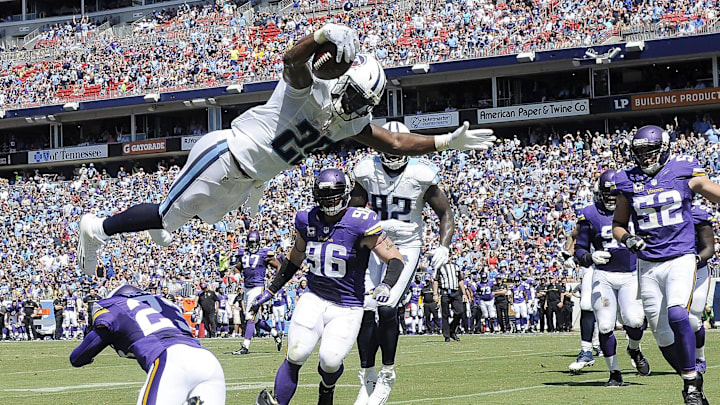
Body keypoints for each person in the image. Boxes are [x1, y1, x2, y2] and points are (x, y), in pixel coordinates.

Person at [77, 23, 495, 276]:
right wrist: (319, 36)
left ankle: (163, 220)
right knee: (165, 216)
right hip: (226, 154)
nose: (349, 107)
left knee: (182, 221)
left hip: (248, 178)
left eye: (358, 105)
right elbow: (292, 61)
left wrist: (444, 141)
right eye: (350, 97)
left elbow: (396, 141)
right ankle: (97, 228)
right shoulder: (308, 90)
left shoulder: (348, 119)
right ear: (344, 81)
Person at [254, 168, 406, 405]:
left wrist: (387, 285)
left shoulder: (361, 222)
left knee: (330, 361)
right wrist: (272, 289)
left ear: (346, 194)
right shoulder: (307, 219)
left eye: (334, 196)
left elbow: (395, 259)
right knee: (296, 353)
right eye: (324, 197)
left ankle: (327, 388)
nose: (329, 202)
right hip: (314, 297)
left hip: (347, 306)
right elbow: (295, 258)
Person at [350, 121, 456, 405]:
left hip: (407, 245)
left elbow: (445, 213)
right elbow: (353, 214)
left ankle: (387, 373)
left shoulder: (420, 173)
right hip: (376, 242)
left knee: (386, 305)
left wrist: (443, 247)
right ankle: (367, 375)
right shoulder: (366, 170)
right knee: (365, 308)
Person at [612, 124, 720, 404]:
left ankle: (691, 386)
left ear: (664, 148)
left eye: (650, 151)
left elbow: (709, 188)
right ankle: (692, 379)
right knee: (663, 338)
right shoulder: (626, 179)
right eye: (640, 152)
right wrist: (627, 240)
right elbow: (618, 225)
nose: (645, 157)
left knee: (679, 315)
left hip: (681, 257)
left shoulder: (683, 169)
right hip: (648, 264)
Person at [69, 284, 225, 404]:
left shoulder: (118, 305)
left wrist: (82, 357)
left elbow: (79, 356)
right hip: (209, 361)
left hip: (171, 360)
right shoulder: (166, 305)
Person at [571, 169, 649, 385]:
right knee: (605, 326)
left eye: (617, 195)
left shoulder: (635, 210)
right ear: (599, 194)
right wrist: (590, 256)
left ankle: (634, 350)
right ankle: (614, 373)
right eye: (609, 195)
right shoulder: (590, 214)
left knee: (634, 321)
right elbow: (579, 250)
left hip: (631, 275)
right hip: (603, 276)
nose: (613, 200)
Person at [232, 232, 282, 354]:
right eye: (250, 243)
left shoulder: (265, 253)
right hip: (247, 288)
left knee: (250, 316)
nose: (253, 246)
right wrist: (237, 274)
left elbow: (278, 266)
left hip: (258, 287)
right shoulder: (243, 253)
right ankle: (275, 333)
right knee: (256, 320)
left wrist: (276, 281)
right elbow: (237, 267)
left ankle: (245, 347)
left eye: (254, 243)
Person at [689, 200, 716, 373]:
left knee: (693, 320)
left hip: (697, 271)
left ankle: (700, 357)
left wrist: (695, 259)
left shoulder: (697, 213)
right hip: (670, 271)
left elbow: (709, 249)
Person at [434, 260, 466, 342]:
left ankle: (452, 330)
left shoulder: (456, 267)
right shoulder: (440, 267)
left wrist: (464, 293)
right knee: (445, 315)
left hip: (455, 292)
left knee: (460, 311)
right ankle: (447, 335)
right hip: (445, 292)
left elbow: (460, 280)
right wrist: (435, 294)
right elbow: (436, 281)